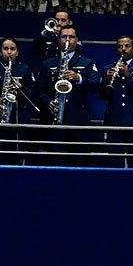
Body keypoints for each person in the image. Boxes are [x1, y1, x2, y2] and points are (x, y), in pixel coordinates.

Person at [35, 25, 99, 166]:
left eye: (71, 37)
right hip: (54, 119)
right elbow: (39, 90)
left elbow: (96, 86)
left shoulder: (87, 62)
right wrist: (48, 102)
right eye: (64, 37)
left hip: (78, 121)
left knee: (79, 161)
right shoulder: (48, 63)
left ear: (77, 40)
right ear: (58, 39)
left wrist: (79, 78)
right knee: (55, 161)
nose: (67, 40)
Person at [0, 38, 38, 164]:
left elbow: (34, 93)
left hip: (20, 119)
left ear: (17, 52)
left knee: (18, 156)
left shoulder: (25, 69)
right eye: (5, 49)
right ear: (0, 51)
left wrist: (21, 88)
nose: (9, 52)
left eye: (12, 49)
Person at [99, 36, 133, 168]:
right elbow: (102, 95)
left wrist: (129, 77)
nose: (123, 49)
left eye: (127, 46)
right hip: (114, 120)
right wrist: (107, 80)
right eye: (120, 46)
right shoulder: (107, 68)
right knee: (115, 162)